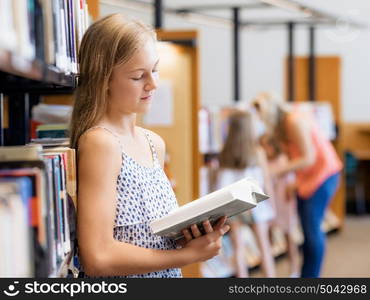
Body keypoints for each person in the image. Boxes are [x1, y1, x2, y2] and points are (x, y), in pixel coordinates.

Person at [69, 13, 230, 278]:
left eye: (154, 70)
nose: (153, 84)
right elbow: (98, 256)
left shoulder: (153, 143)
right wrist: (187, 255)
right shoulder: (101, 143)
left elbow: (147, 240)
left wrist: (190, 236)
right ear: (104, 79)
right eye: (137, 76)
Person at [252, 92, 342, 278]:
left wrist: (275, 172)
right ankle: (306, 275)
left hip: (323, 176)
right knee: (307, 232)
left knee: (312, 231)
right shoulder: (282, 127)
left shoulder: (294, 122)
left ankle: (311, 276)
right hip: (306, 180)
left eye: (262, 116)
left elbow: (308, 157)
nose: (261, 120)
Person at [217, 110, 276, 278]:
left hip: (235, 206)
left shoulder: (225, 153)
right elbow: (266, 182)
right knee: (264, 247)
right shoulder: (258, 152)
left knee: (238, 249)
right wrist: (272, 208)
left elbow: (222, 184)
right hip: (257, 204)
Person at [260, 134, 300, 277]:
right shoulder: (262, 162)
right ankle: (270, 272)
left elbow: (290, 182)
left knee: (288, 236)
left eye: (267, 146)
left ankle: (294, 271)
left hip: (283, 202)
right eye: (262, 147)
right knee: (267, 238)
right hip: (269, 203)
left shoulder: (283, 160)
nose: (265, 150)